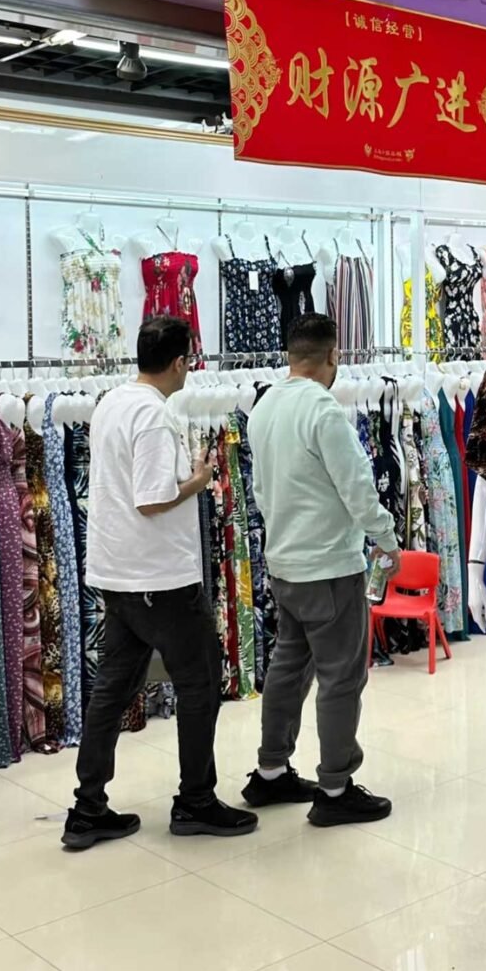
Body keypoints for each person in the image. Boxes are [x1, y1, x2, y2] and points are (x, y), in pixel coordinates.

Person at [63, 315, 258, 849]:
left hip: (118, 572)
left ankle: (87, 808)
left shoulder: (112, 402)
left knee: (113, 688)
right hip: (158, 578)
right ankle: (195, 800)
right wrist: (197, 480)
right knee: (200, 684)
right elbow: (151, 499)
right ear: (179, 362)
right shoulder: (152, 415)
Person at [242, 313, 400, 826]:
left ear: (291, 355)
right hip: (329, 566)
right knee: (340, 676)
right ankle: (335, 787)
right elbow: (357, 487)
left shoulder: (263, 407)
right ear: (333, 356)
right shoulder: (323, 411)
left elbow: (260, 491)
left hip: (285, 564)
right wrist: (386, 538)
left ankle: (270, 771)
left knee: (288, 666)